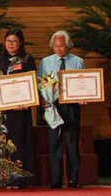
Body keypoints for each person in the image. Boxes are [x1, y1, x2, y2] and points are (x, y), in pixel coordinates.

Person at [38, 30, 84, 189]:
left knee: (72, 143)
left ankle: (73, 179)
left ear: (68, 45)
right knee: (54, 144)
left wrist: (84, 96)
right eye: (56, 46)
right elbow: (39, 83)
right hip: (53, 106)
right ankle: (56, 180)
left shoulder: (78, 61)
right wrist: (43, 101)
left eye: (62, 46)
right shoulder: (45, 62)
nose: (59, 49)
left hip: (72, 106)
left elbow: (83, 84)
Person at [0, 28, 36, 188]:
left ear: (21, 43)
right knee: (5, 145)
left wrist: (27, 100)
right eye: (8, 41)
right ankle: (7, 179)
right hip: (4, 111)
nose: (11, 44)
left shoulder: (27, 59)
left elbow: (32, 82)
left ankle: (21, 179)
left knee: (20, 141)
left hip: (21, 108)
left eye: (14, 41)